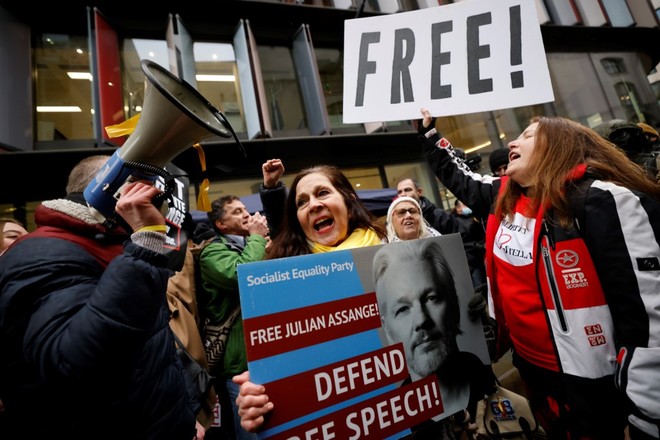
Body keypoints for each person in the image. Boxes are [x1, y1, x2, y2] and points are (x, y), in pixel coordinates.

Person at [417, 108, 660, 439]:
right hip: (529, 364)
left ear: (559, 146)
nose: (512, 142)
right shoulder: (502, 195)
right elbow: (459, 177)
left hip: (589, 378)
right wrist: (429, 134)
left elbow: (646, 317)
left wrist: (648, 413)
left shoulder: (603, 200)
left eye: (528, 136)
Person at [0, 155, 200, 440]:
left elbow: (152, 345)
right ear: (115, 190)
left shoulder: (113, 242)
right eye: (145, 191)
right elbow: (76, 364)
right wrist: (146, 243)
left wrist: (186, 410)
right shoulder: (40, 254)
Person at [232, 159, 387, 432]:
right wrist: (260, 393)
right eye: (302, 202)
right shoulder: (282, 280)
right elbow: (280, 365)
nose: (313, 205)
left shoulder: (394, 254)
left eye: (323, 193)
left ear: (349, 200)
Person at [372, 239, 496, 438]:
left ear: (454, 304)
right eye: (403, 309)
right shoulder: (397, 424)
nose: (422, 320)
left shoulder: (485, 379)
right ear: (387, 329)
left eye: (431, 298)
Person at [198, 195, 269, 440]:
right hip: (239, 362)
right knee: (252, 432)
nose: (246, 214)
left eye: (245, 209)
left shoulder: (254, 245)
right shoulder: (212, 253)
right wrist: (257, 238)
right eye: (237, 212)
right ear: (221, 225)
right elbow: (244, 276)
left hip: (264, 352)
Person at [451, 200, 486, 287]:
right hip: (471, 261)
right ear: (457, 208)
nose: (466, 207)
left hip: (481, 257)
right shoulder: (456, 222)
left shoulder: (474, 218)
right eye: (463, 205)